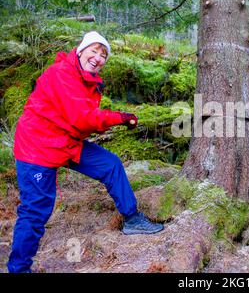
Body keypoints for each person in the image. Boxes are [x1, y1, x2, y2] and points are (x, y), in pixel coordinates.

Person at [8, 31, 164, 273]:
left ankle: (132, 219)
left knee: (109, 164)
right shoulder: (62, 73)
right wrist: (120, 118)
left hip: (65, 142)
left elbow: (78, 119)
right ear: (80, 50)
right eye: (94, 50)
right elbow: (82, 119)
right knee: (36, 210)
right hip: (37, 147)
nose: (98, 57)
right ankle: (19, 269)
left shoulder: (87, 80)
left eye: (103, 55)